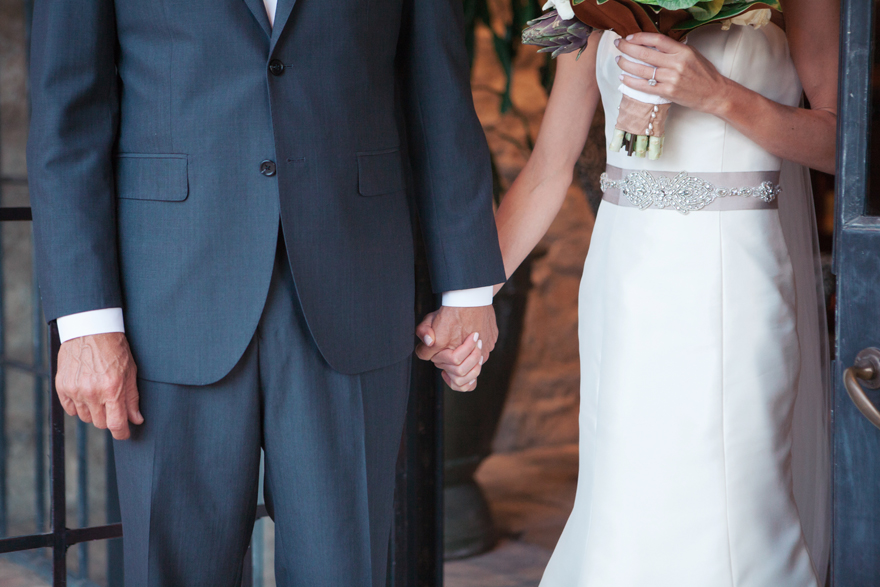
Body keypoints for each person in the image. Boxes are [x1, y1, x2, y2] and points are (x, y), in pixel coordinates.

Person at [26, 0, 504, 584]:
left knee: (343, 569)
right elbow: (67, 118)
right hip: (171, 292)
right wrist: (85, 319)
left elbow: (440, 92)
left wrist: (467, 289)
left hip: (352, 280)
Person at [423, 0, 838, 584]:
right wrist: (468, 299)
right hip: (626, 281)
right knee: (623, 494)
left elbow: (841, 145)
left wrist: (719, 95)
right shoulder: (594, 5)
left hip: (734, 278)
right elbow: (547, 171)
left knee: (733, 496)